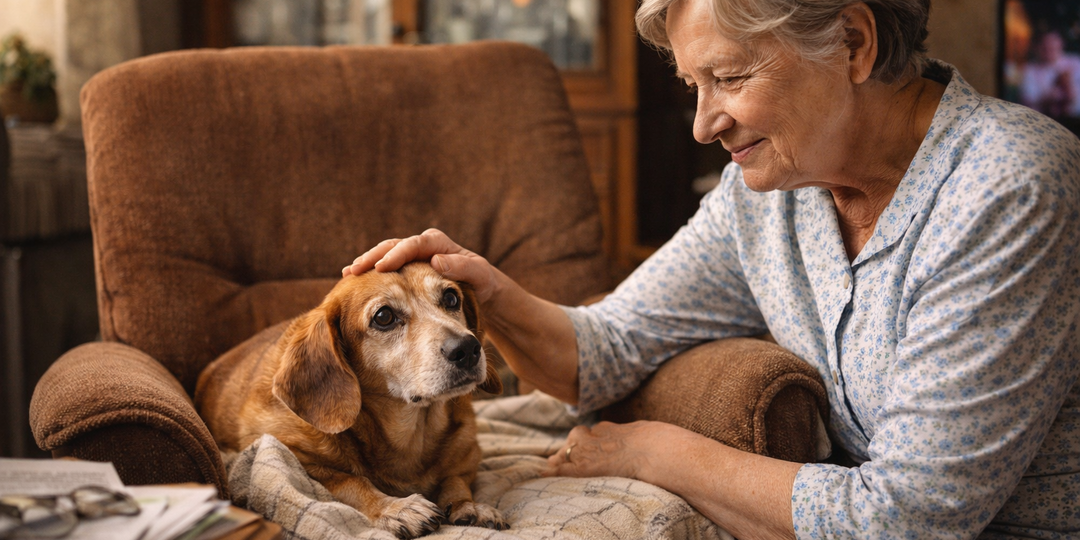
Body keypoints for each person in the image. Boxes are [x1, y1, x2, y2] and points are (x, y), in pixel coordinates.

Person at [344, 0, 1080, 537]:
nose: (703, 124)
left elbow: (911, 519)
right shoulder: (769, 194)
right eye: (695, 86)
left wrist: (659, 453)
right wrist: (489, 293)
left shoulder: (1009, 184)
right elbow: (605, 352)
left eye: (727, 77)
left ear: (853, 42)